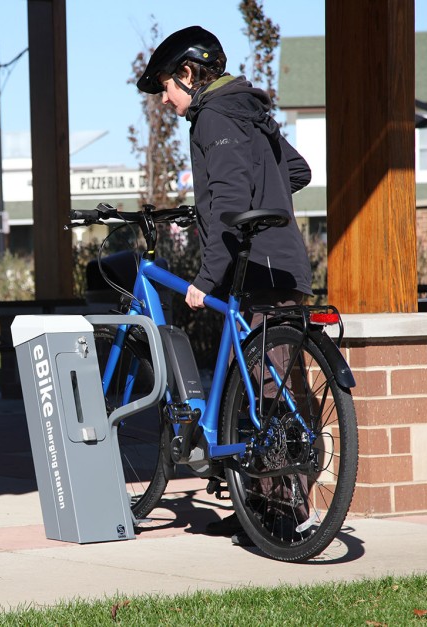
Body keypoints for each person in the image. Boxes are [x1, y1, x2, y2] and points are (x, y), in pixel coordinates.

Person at [136, 26, 314, 546]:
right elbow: (297, 170)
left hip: (254, 268)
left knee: (264, 394)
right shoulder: (248, 110)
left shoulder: (213, 117)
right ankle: (257, 505)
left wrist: (204, 277)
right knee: (261, 387)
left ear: (189, 75)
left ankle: (281, 515)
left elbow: (230, 208)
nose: (164, 99)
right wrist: (271, 197)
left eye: (167, 86)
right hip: (281, 265)